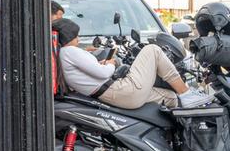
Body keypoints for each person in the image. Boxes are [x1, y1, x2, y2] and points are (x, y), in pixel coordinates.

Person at [55, 19, 209, 111]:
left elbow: (93, 72)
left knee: (170, 97)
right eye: (76, 35)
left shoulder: (62, 54)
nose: (78, 39)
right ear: (68, 35)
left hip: (116, 95)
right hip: (120, 91)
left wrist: (102, 64)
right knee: (152, 50)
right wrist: (111, 63)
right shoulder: (69, 51)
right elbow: (102, 74)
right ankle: (186, 93)